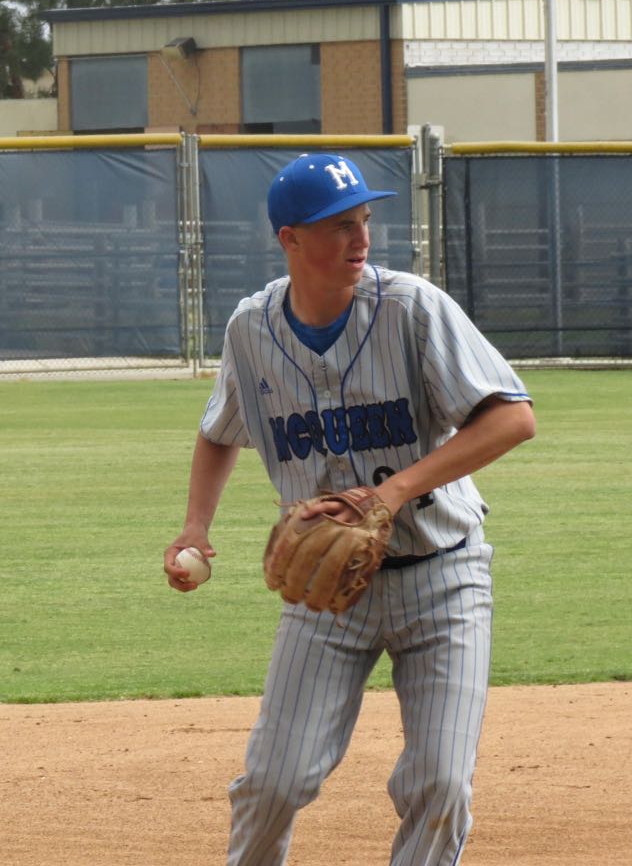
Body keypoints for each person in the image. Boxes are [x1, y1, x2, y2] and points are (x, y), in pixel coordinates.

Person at [164, 153, 536, 866]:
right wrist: (195, 526)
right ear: (290, 239)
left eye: (364, 220)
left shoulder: (412, 307)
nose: (361, 238)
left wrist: (393, 492)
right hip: (325, 592)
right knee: (274, 781)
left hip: (443, 578)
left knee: (440, 783)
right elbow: (218, 431)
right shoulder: (250, 329)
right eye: (339, 226)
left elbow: (513, 418)